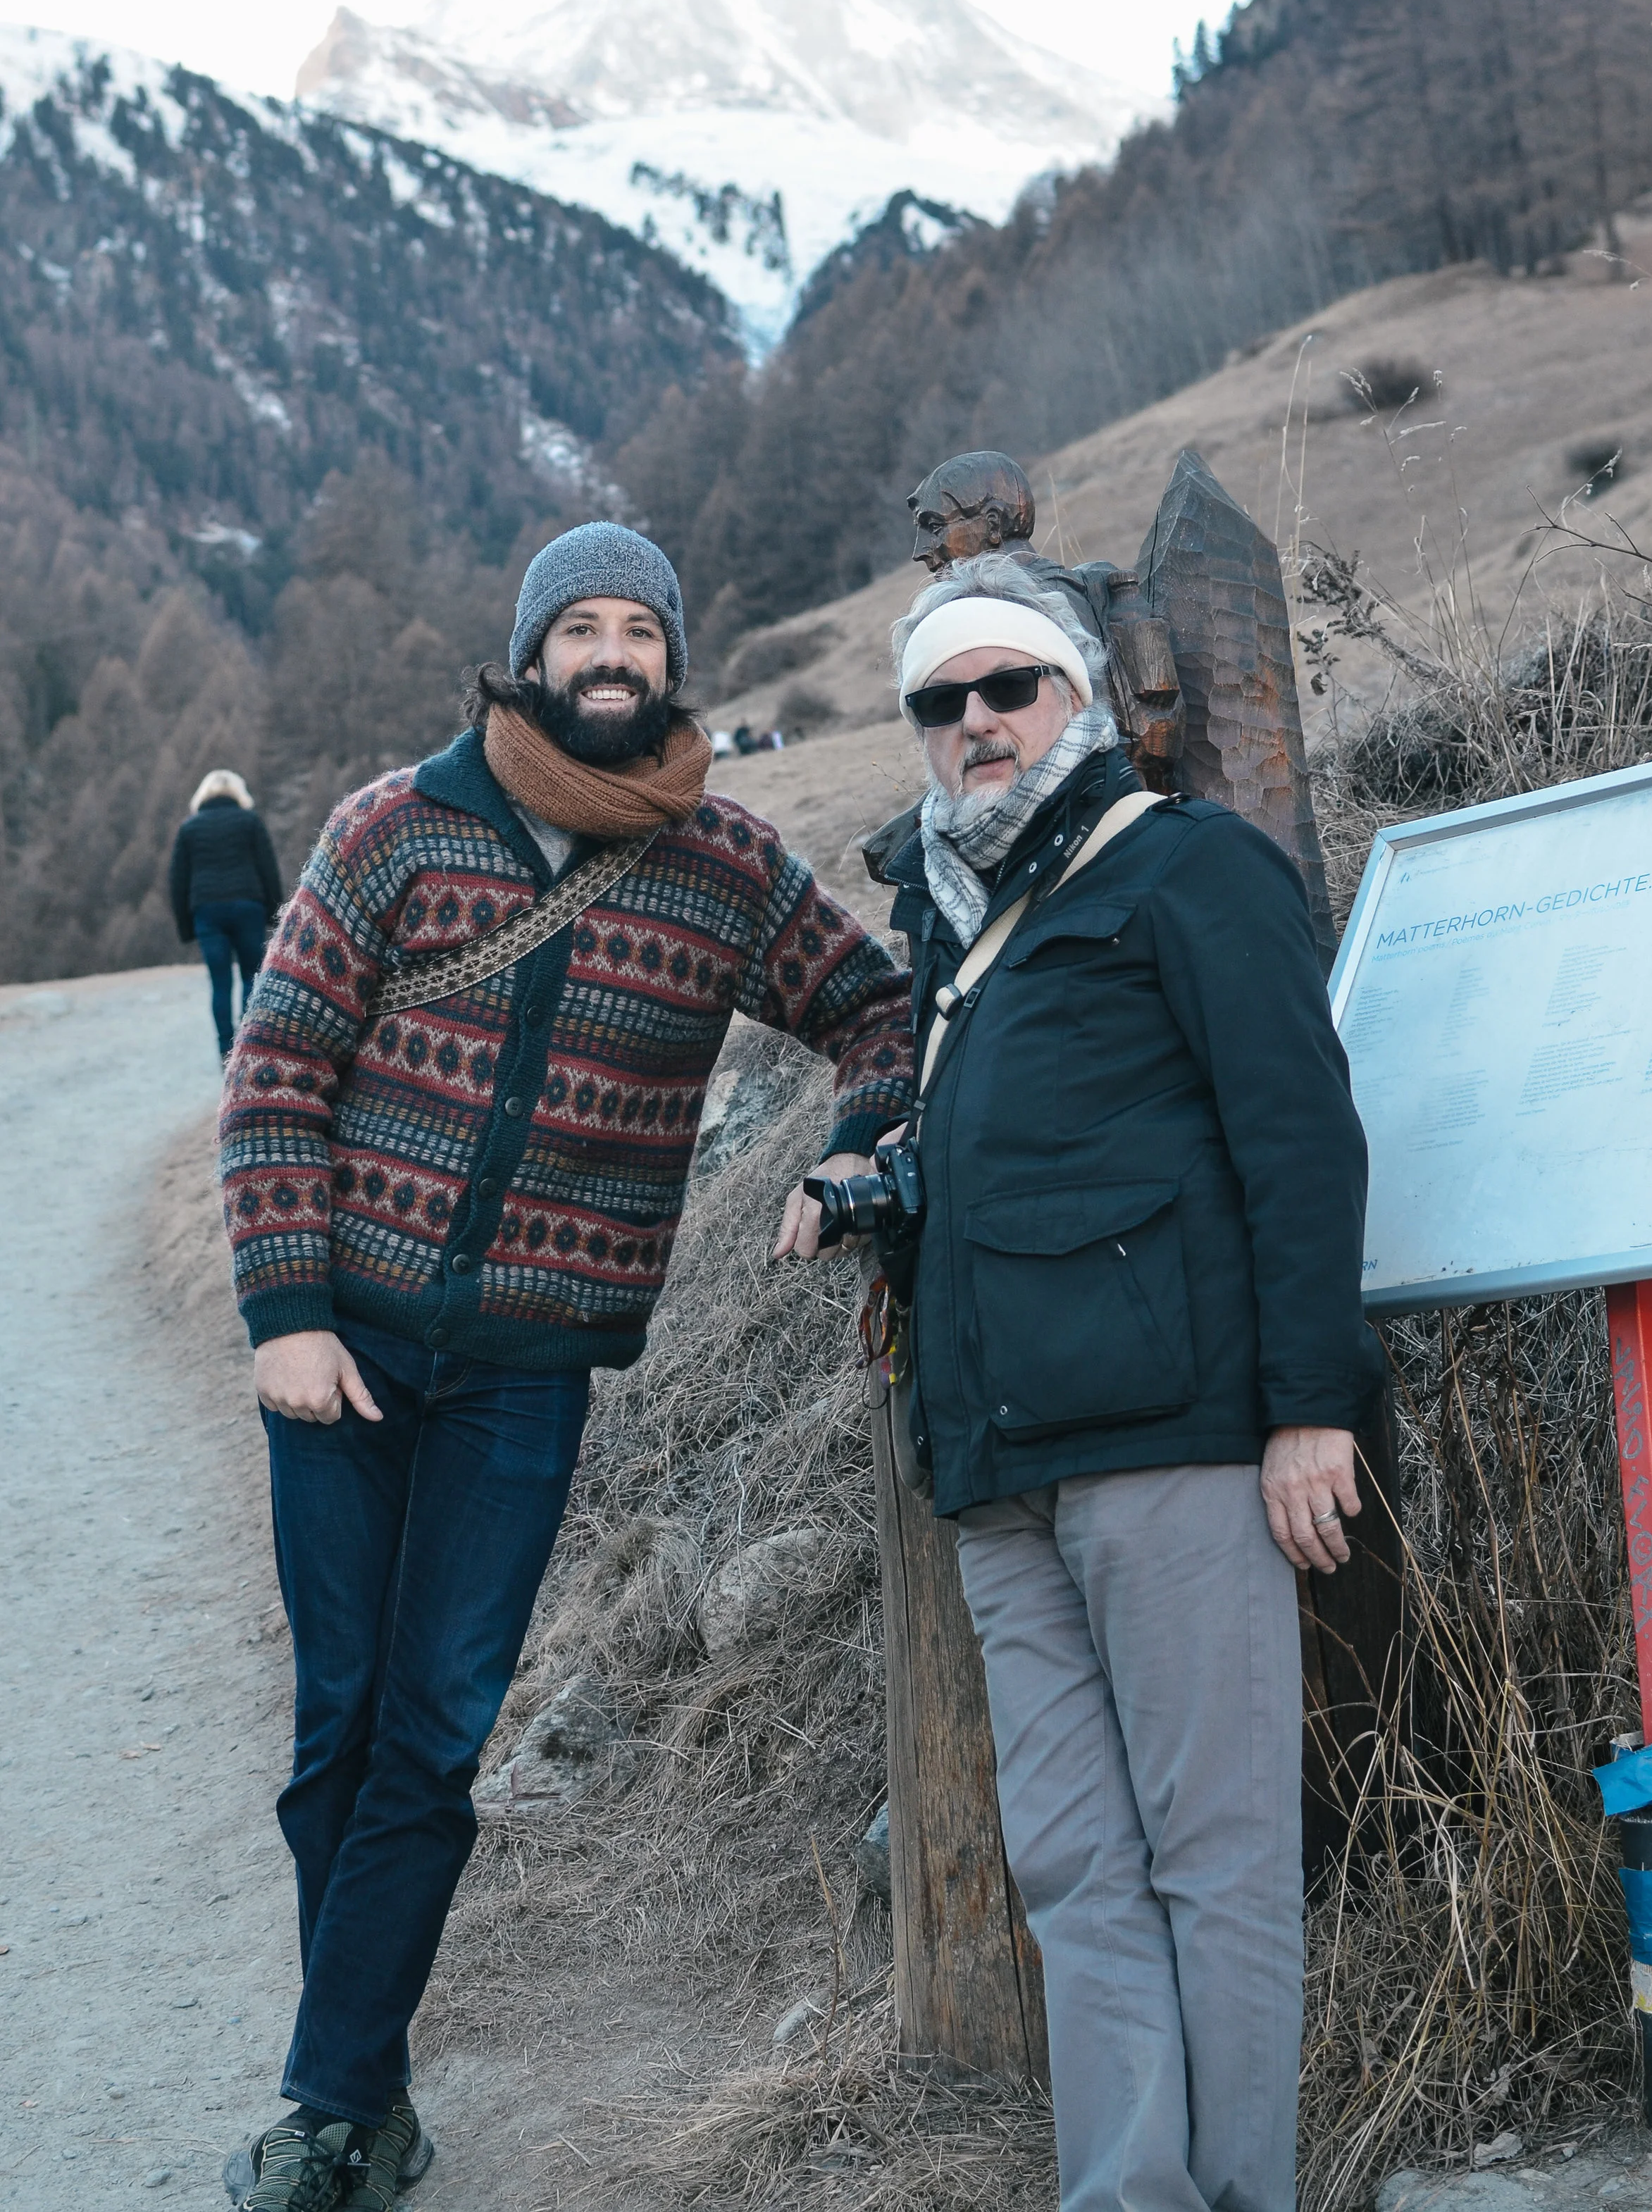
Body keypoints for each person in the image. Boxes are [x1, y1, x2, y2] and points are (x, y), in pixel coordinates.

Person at [216, 522, 912, 2212]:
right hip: (351, 1351)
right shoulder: (397, 827)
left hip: (526, 1377)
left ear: (673, 659)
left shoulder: (727, 866)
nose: (612, 656)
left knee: (434, 1736)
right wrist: (286, 1312)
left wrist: (853, 1151)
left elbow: (881, 1012)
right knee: (339, 1728)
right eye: (580, 629)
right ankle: (358, 2089)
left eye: (640, 633)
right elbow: (279, 1068)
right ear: (529, 655)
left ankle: (326, 2104)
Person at [878, 551, 1382, 2212]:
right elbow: (937, 1123)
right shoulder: (954, 931)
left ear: (1079, 696)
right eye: (940, 702)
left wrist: (1311, 1405)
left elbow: (1300, 1136)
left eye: (1006, 686)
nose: (976, 723)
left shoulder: (1184, 869)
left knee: (1215, 1860)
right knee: (1077, 1868)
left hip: (1174, 1443)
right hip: (1001, 1466)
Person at [168, 769, 284, 1059]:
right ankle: (249, 1048)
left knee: (220, 983)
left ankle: (226, 1054)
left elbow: (178, 880)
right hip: (248, 906)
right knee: (250, 977)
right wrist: (276, 914)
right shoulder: (250, 822)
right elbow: (268, 868)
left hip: (207, 910)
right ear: (238, 793)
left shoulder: (189, 828)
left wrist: (186, 926)